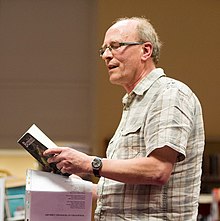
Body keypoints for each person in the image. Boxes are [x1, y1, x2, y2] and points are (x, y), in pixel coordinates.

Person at [44, 17, 205, 220]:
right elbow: (128, 194)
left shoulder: (169, 94)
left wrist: (89, 163)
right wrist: (78, 187)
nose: (106, 55)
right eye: (103, 50)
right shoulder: (135, 102)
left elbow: (158, 170)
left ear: (146, 51)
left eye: (115, 46)